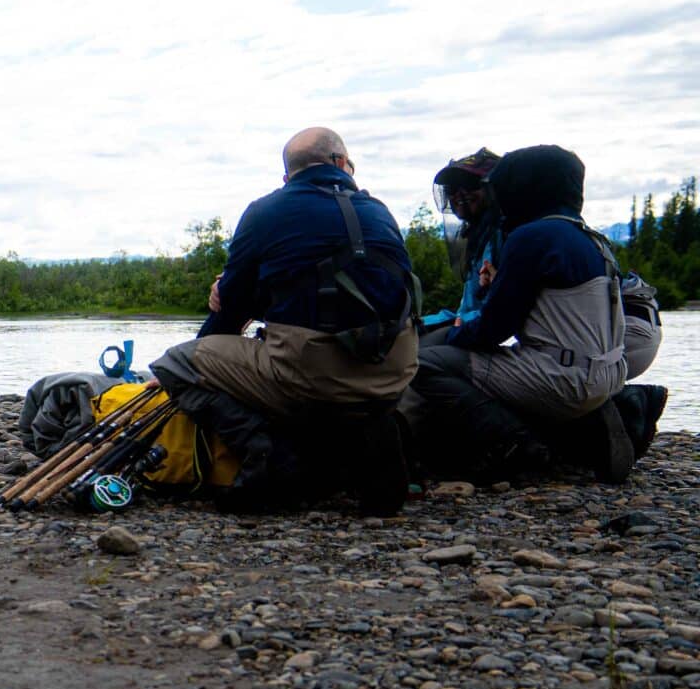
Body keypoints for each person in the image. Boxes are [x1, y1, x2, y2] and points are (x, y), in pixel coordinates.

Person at [150, 127, 419, 515]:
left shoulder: (266, 211)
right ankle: (369, 438)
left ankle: (269, 454)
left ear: (287, 177)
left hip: (316, 375)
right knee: (324, 372)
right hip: (395, 370)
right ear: (342, 164)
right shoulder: (378, 210)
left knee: (177, 362)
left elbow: (231, 314)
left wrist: (217, 316)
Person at [400, 144, 654, 484]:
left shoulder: (531, 237)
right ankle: (595, 422)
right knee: (503, 365)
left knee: (427, 363)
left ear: (526, 187)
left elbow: (492, 329)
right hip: (609, 374)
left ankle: (514, 444)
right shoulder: (592, 238)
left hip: (565, 378)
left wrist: (455, 334)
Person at [419, 148, 503, 342]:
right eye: (452, 189)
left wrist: (459, 325)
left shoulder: (502, 235)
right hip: (470, 328)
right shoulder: (479, 234)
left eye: (469, 184)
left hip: (485, 337)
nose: (460, 195)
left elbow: (499, 310)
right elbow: (468, 308)